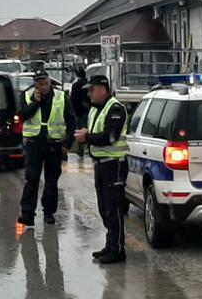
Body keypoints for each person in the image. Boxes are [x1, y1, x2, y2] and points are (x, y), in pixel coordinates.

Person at [74, 75, 129, 264]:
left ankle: (118, 250)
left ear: (103, 90)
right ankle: (111, 244)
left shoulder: (115, 108)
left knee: (113, 208)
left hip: (114, 164)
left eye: (92, 89)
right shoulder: (96, 109)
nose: (89, 93)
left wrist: (87, 137)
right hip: (101, 164)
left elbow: (111, 137)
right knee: (104, 208)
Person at [18, 69, 76, 226]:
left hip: (54, 144)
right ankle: (28, 213)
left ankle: (49, 212)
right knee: (32, 178)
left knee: (51, 180)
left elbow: (71, 121)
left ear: (49, 82)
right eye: (39, 84)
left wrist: (67, 144)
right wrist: (35, 103)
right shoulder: (27, 95)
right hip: (34, 144)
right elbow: (22, 115)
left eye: (45, 83)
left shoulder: (61, 97)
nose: (43, 87)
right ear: (35, 84)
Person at [69, 66, 91, 159]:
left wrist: (73, 112)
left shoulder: (76, 85)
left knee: (81, 131)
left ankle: (81, 150)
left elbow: (73, 100)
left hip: (79, 113)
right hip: (90, 112)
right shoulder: (89, 84)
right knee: (90, 130)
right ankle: (89, 149)